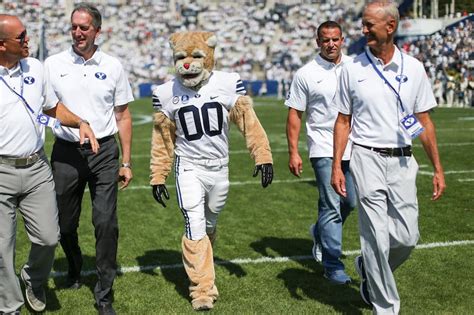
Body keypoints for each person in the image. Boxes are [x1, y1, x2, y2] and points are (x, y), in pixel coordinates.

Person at [331, 1, 446, 313]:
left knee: (408, 236)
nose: (363, 30)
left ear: (390, 27)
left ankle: (368, 269)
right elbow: (343, 121)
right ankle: (386, 306)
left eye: (369, 24)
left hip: (404, 162)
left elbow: (424, 121)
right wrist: (337, 166)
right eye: (364, 23)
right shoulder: (351, 69)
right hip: (365, 159)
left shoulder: (414, 68)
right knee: (375, 238)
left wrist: (437, 168)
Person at [150, 31, 273, 311]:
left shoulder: (228, 83)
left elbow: (248, 122)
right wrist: (159, 174)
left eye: (195, 56)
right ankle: (202, 290)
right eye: (181, 57)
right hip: (189, 167)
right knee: (194, 225)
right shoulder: (165, 92)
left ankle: (204, 254)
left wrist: (262, 155)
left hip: (220, 168)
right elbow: (163, 139)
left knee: (208, 224)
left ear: (209, 57)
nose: (187, 64)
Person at [0, 14, 98, 314]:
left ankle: (32, 278)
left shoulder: (35, 67)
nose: (28, 40)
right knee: (2, 249)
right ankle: (10, 307)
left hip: (37, 168)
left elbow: (51, 107)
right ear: (2, 45)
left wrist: (80, 121)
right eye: (22, 37)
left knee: (48, 237)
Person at [44, 3, 134, 314]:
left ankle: (104, 295)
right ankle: (74, 263)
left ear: (97, 30)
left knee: (106, 222)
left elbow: (123, 115)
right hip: (66, 153)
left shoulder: (113, 65)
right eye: (74, 27)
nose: (78, 32)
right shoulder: (52, 64)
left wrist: (126, 162)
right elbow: (46, 107)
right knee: (63, 226)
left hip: (105, 153)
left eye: (84, 27)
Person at [285, 21, 356, 285]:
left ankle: (319, 231)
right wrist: (294, 152)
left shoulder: (355, 67)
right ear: (318, 42)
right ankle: (332, 264)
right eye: (325, 40)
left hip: (354, 146)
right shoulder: (306, 73)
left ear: (342, 40)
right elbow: (295, 114)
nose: (331, 44)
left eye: (335, 39)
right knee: (331, 205)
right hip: (323, 148)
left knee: (351, 202)